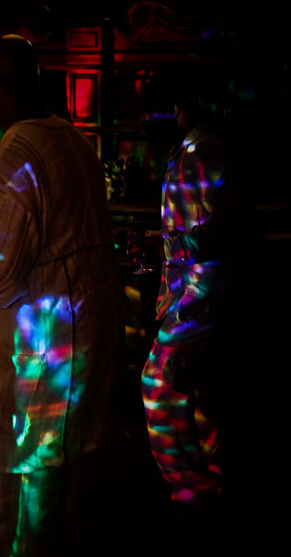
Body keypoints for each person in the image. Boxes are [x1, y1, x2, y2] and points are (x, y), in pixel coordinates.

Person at [0, 37, 124, 556]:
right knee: (75, 512)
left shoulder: (12, 153)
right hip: (85, 358)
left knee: (25, 525)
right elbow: (40, 240)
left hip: (39, 367)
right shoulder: (76, 142)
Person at [133, 78, 242, 509]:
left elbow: (225, 227)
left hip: (202, 300)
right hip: (190, 299)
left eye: (149, 110)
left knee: (162, 384)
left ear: (176, 106)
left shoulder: (206, 153)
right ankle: (206, 485)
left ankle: (195, 488)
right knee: (193, 397)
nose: (143, 121)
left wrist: (173, 247)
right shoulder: (192, 151)